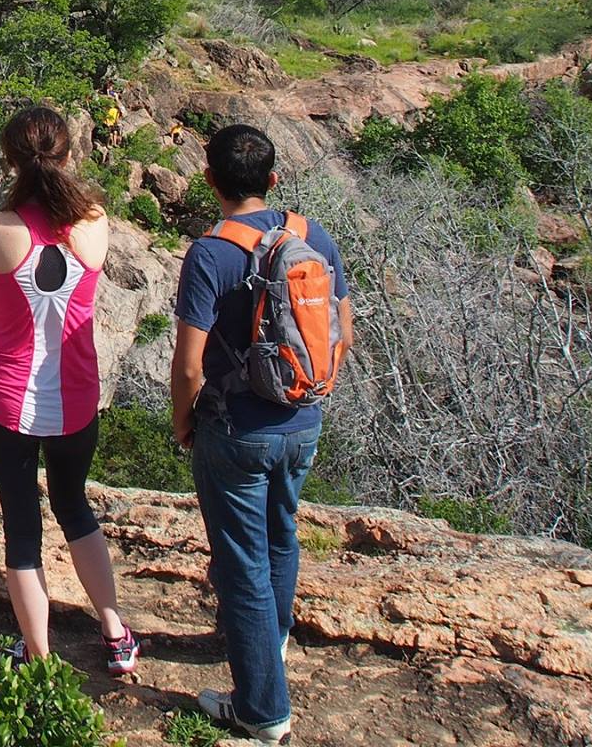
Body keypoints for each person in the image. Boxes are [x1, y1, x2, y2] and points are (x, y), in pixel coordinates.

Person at [171, 123, 353, 744]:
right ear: (274, 180)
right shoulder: (311, 235)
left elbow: (190, 363)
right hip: (304, 420)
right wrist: (308, 398)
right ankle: (268, 644)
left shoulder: (211, 252)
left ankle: (261, 709)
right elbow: (341, 334)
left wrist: (183, 421)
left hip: (234, 429)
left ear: (209, 180)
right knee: (281, 535)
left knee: (240, 560)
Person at [0, 105, 141, 677]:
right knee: (74, 505)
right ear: (69, 153)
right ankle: (114, 632)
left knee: (22, 524)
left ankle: (38, 658)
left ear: (10, 159)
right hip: (77, 398)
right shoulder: (94, 220)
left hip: (7, 400)